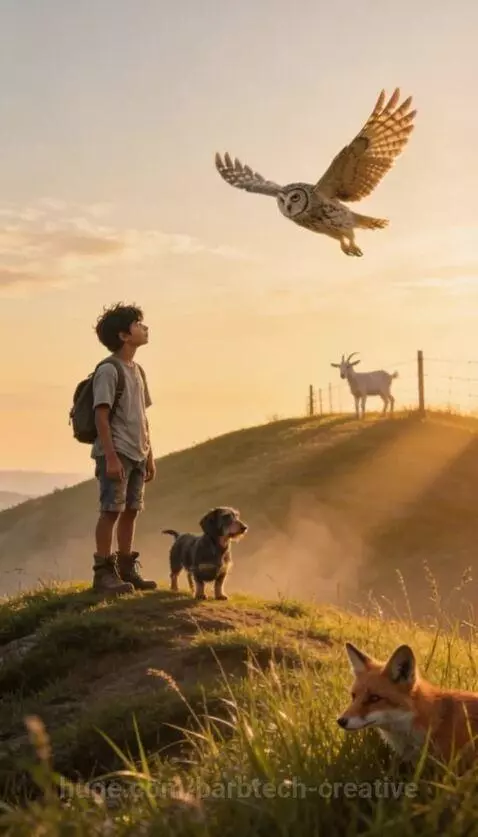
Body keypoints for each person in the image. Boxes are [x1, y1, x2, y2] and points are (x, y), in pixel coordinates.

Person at [90, 302, 157, 594]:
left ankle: (127, 569)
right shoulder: (108, 369)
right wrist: (112, 458)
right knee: (111, 511)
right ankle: (103, 573)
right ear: (123, 336)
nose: (144, 328)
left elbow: (142, 416)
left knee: (131, 510)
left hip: (138, 453)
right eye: (138, 324)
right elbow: (100, 415)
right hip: (115, 452)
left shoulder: (138, 370)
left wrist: (150, 455)